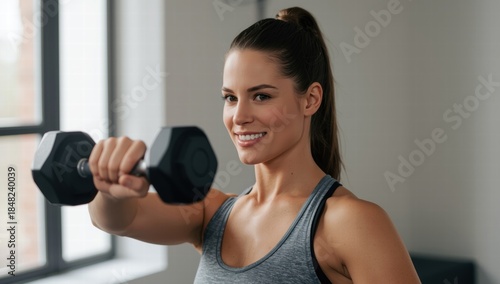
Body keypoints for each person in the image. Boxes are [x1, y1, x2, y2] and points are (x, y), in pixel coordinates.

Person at [88, 7, 421, 283]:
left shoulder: (350, 222)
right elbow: (117, 220)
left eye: (261, 96)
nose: (240, 116)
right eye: (230, 98)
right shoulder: (212, 213)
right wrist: (111, 189)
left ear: (311, 99)